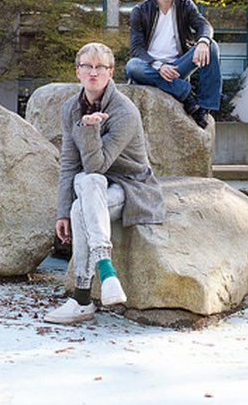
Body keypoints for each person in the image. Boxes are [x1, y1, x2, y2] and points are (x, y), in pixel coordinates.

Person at [44, 42, 165, 325]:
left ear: (111, 73)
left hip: (130, 187)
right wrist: (61, 212)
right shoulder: (70, 108)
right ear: (77, 72)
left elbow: (97, 165)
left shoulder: (124, 112)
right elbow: (69, 163)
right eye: (87, 66)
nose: (93, 72)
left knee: (83, 199)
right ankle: (105, 273)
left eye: (100, 67)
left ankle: (83, 297)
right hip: (93, 186)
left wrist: (89, 129)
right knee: (86, 186)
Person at [125, 0, 222, 128]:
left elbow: (203, 25)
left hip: (177, 69)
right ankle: (185, 94)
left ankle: (204, 107)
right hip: (151, 68)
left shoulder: (185, 5)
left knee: (211, 46)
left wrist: (202, 42)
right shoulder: (140, 10)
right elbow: (136, 49)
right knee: (132, 66)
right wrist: (159, 66)